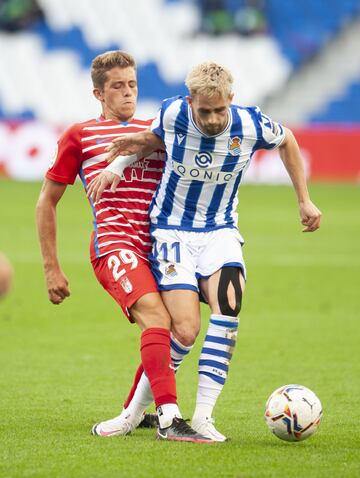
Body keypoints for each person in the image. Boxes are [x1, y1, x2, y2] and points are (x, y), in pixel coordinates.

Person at [88, 61, 322, 442]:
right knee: (184, 329)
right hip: (172, 232)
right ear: (190, 101)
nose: (213, 119)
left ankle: (202, 418)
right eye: (204, 111)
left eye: (219, 110)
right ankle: (132, 414)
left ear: (232, 99)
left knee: (228, 312)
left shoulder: (250, 123)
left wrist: (304, 200)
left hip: (221, 232)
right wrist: (117, 164)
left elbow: (288, 141)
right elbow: (151, 139)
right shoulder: (173, 112)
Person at [35, 50, 213, 444]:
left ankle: (132, 414)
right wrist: (52, 267)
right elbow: (46, 200)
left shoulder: (155, 131)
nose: (128, 93)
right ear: (98, 93)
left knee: (183, 330)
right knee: (156, 318)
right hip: (114, 245)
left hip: (160, 247)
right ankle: (170, 417)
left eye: (132, 84)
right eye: (117, 86)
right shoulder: (79, 135)